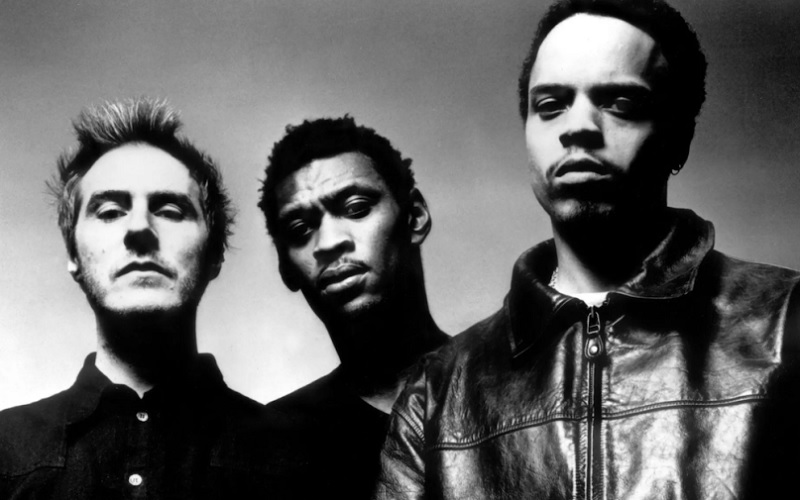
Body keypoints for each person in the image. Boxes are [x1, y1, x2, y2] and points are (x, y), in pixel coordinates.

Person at [376, 0, 800, 498]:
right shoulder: (438, 391)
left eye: (619, 102)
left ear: (679, 137)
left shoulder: (787, 319)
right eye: (550, 105)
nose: (577, 127)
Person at [0, 98, 263, 499]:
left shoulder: (299, 457)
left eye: (170, 210)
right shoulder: (4, 450)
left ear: (214, 254)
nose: (139, 228)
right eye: (109, 212)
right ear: (73, 255)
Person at [257, 116, 449, 498]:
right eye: (300, 230)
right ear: (284, 267)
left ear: (414, 216)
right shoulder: (266, 443)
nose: (329, 242)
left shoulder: (512, 389)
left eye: (357, 207)